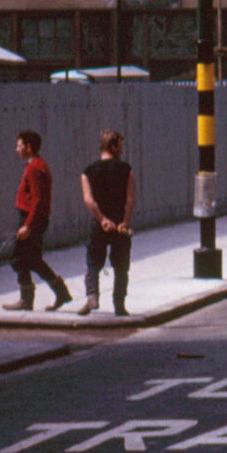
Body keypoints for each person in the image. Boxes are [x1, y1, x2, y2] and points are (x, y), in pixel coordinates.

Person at [6, 129, 71, 312]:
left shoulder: (35, 168)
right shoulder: (35, 165)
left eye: (19, 145)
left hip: (31, 219)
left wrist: (27, 226)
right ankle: (60, 293)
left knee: (18, 259)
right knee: (32, 260)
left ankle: (28, 299)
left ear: (28, 147)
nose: (16, 149)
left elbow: (37, 199)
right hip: (33, 219)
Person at [78, 128, 135, 316]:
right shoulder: (126, 170)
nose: (122, 149)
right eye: (120, 145)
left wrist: (102, 219)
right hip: (120, 225)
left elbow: (89, 200)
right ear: (113, 145)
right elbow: (130, 199)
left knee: (93, 263)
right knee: (120, 267)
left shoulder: (88, 171)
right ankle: (119, 304)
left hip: (99, 224)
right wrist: (124, 222)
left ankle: (92, 296)